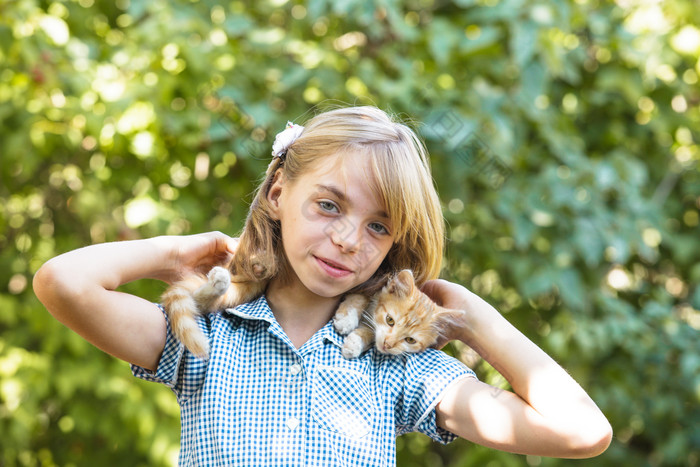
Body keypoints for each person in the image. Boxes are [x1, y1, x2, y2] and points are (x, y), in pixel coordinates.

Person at [33, 106, 612, 466]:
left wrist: (471, 316)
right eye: (329, 205)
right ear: (279, 192)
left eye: (378, 225)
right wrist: (179, 251)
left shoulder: (398, 368)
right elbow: (64, 282)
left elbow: (582, 431)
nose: (347, 239)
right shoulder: (208, 337)